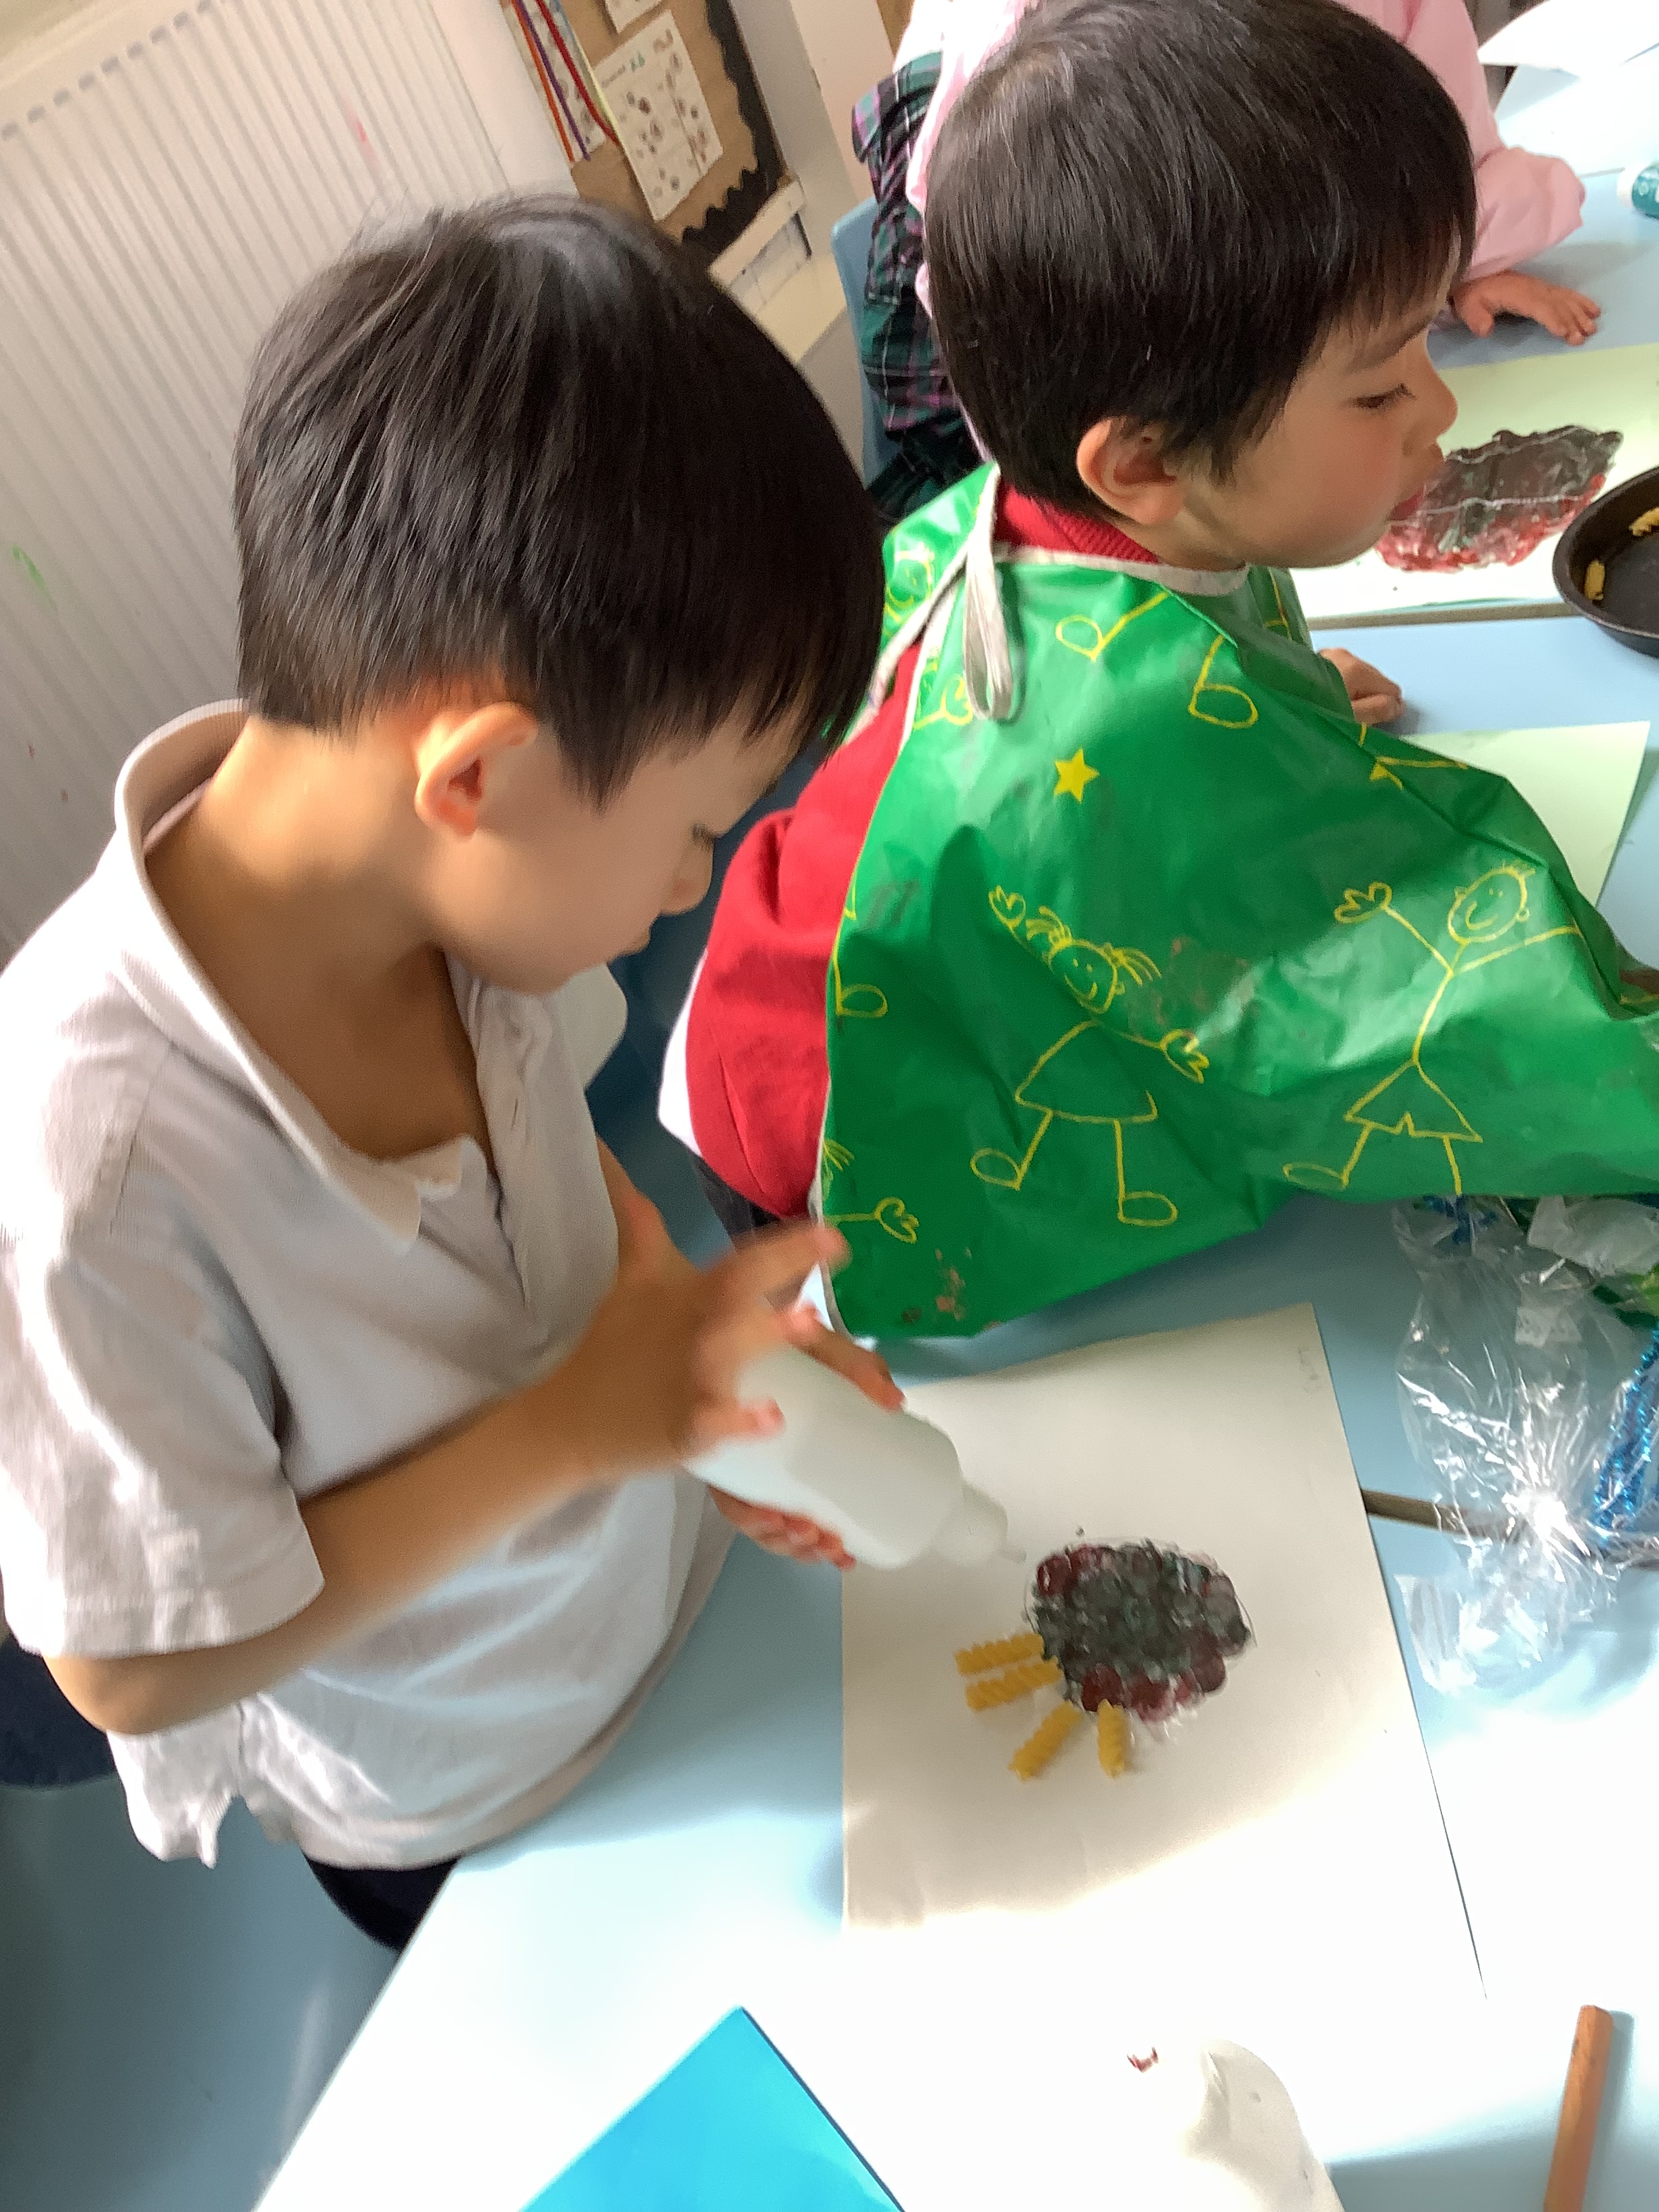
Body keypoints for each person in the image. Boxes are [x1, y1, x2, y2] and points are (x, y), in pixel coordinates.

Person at [0, 201, 892, 1952]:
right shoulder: (87, 1162)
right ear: (478, 773)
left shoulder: (457, 897)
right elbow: (129, 1668)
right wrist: (584, 1425)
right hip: (475, 1807)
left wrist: (694, 1362)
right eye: (697, 831)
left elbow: (557, 1170)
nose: (694, 888)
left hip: (671, 1613)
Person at [661, 0, 1659, 1341]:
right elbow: (1399, 1019)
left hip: (801, 999)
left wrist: (1255, 697)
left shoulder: (1072, 514)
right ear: (1141, 460)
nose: (1438, 409)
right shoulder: (1126, 737)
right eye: (1378, 388)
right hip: (835, 1153)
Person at [906, 0, 1600, 346]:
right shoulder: (1028, 52)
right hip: (1144, 385)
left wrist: (1461, 260)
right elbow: (1003, 296)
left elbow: (1444, 134)